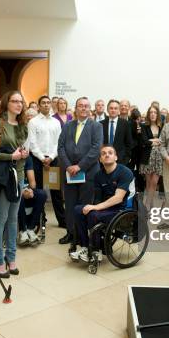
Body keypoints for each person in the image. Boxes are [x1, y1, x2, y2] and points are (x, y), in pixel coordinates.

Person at [0, 90, 29, 278]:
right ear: (6, 103)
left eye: (21, 101)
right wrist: (11, 156)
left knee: (13, 220)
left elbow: (21, 152)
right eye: (15, 101)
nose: (19, 104)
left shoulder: (22, 125)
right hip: (3, 178)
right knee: (0, 219)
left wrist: (22, 156)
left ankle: (11, 257)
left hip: (18, 176)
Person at [69, 145, 134, 262]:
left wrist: (94, 208)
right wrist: (91, 208)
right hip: (105, 207)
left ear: (116, 157)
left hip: (121, 210)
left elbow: (118, 198)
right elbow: (98, 199)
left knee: (93, 215)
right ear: (100, 159)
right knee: (78, 210)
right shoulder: (99, 175)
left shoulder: (125, 172)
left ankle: (96, 251)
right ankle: (85, 246)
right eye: (103, 153)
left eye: (110, 153)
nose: (107, 155)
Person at [57, 97, 103, 250]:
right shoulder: (68, 126)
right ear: (75, 109)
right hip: (70, 172)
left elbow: (96, 149)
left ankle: (82, 235)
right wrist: (69, 166)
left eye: (86, 106)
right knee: (70, 204)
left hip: (88, 173)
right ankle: (71, 233)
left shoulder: (96, 126)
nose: (83, 108)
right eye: (80, 106)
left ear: (90, 109)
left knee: (84, 205)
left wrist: (80, 166)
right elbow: (61, 147)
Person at [27, 95, 65, 230]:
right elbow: (32, 143)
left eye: (48, 103)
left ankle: (62, 220)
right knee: (39, 191)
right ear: (38, 105)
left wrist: (51, 157)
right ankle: (39, 219)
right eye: (43, 103)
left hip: (53, 160)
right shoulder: (33, 122)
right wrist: (43, 158)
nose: (46, 105)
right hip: (37, 161)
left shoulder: (56, 122)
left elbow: (59, 142)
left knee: (56, 192)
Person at [17, 156, 47, 245]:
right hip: (14, 190)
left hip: (26, 189)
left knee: (42, 194)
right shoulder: (10, 156)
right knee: (19, 197)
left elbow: (32, 182)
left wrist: (29, 190)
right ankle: (23, 231)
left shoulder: (27, 158)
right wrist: (22, 191)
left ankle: (30, 229)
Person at [139, 105, 163, 209]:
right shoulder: (144, 126)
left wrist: (151, 141)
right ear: (149, 114)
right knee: (148, 183)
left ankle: (147, 204)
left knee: (154, 182)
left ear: (157, 114)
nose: (153, 114)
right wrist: (156, 141)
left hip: (159, 157)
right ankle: (150, 204)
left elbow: (163, 141)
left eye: (155, 112)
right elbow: (144, 141)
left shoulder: (162, 126)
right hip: (147, 157)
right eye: (151, 112)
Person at [101, 99, 133, 166]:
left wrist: (127, 158)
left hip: (121, 160)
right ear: (107, 110)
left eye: (115, 108)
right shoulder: (101, 124)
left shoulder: (125, 124)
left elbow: (129, 143)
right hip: (104, 160)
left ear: (119, 110)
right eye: (111, 108)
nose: (113, 110)